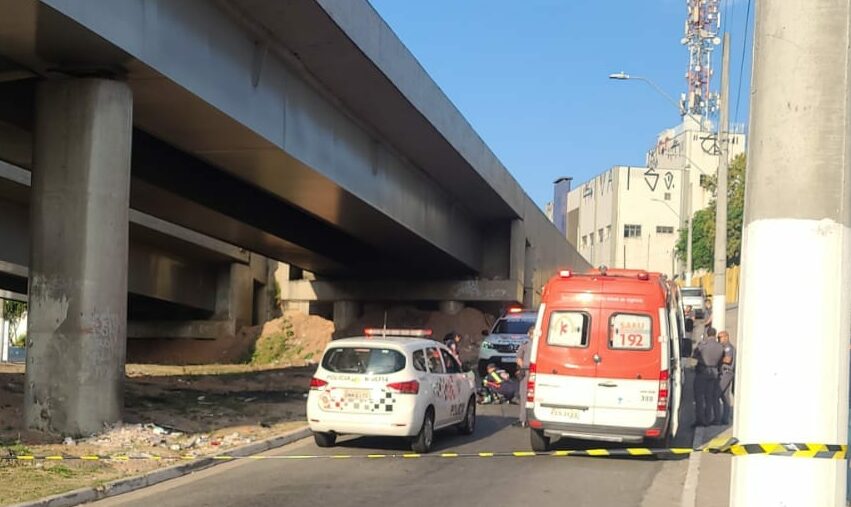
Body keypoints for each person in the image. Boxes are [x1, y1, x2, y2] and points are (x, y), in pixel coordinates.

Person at [692, 327, 724, 426]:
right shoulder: (720, 346)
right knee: (709, 397)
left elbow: (694, 355)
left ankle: (700, 420)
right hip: (714, 372)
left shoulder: (703, 345)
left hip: (703, 371)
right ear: (715, 335)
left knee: (699, 397)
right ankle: (708, 418)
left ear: (707, 334)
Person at [513, 326, 534, 427]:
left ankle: (523, 420)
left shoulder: (525, 344)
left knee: (524, 395)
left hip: (527, 372)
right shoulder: (542, 345)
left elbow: (518, 358)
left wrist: (523, 367)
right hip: (540, 373)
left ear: (529, 334)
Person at [716, 330, 736, 425]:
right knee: (725, 397)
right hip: (724, 372)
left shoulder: (728, 348)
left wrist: (717, 358)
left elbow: (728, 359)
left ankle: (717, 419)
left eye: (720, 338)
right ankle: (725, 419)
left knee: (716, 394)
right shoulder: (724, 347)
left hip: (726, 373)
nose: (718, 339)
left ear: (726, 337)